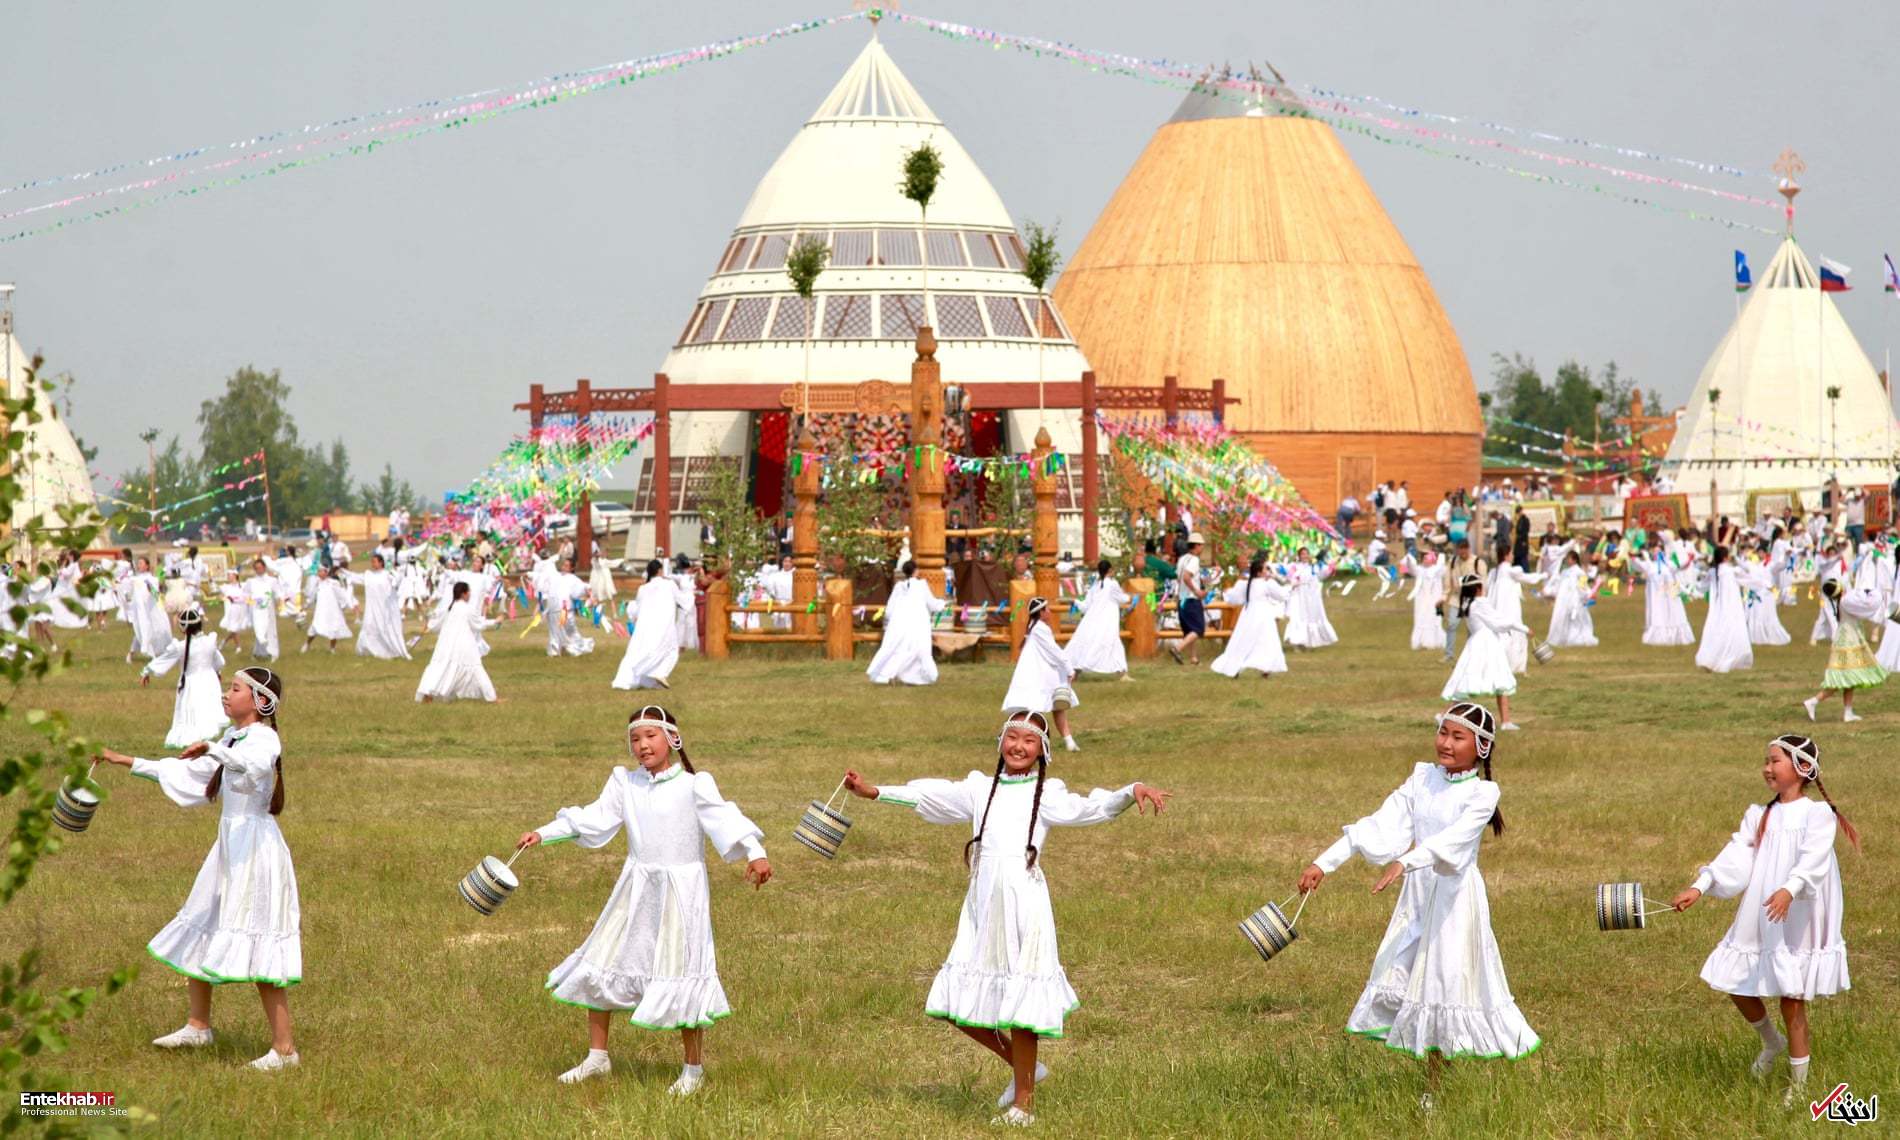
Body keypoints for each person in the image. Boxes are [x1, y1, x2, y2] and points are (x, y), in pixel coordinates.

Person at [841, 711, 1171, 1126]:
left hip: (1024, 907)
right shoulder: (981, 789)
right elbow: (931, 796)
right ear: (1000, 741)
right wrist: (872, 791)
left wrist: (1131, 790)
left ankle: (1024, 1105)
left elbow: (1089, 808)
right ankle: (1024, 1070)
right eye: (1012, 737)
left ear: (1042, 750)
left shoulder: (1047, 794)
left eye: (1028, 741)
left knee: (1021, 1009)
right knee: (949, 1005)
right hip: (982, 906)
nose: (1018, 747)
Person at [1297, 703, 1539, 1110]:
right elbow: (1378, 823)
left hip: (1453, 899)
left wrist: (1406, 861)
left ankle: (1444, 1086)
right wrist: (1324, 862)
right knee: (1408, 977)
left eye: (1456, 736)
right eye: (1442, 733)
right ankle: (1435, 1083)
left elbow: (1455, 843)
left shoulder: (1483, 793)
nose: (1445, 743)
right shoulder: (1422, 777)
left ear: (1481, 747)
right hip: (1418, 898)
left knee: (1446, 982)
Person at [517, 706, 770, 1093]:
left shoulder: (694, 785)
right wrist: (545, 832)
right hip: (636, 887)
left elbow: (725, 818)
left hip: (682, 892)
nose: (642, 745)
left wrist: (755, 853)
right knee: (606, 959)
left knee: (682, 971)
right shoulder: (625, 784)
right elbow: (593, 817)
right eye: (635, 739)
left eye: (650, 736)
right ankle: (597, 1057)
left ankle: (693, 1071)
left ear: (672, 739)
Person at [94, 668, 300, 1070]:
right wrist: (126, 760)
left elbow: (254, 766)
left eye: (235, 688)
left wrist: (214, 749)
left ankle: (285, 1050)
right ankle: (198, 1025)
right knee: (202, 924)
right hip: (229, 847)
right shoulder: (231, 739)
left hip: (256, 851)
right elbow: (185, 774)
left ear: (260, 701)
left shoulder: (263, 738)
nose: (227, 693)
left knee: (259, 940)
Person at [1670, 735, 1854, 1106]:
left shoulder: (1818, 814)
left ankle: (1798, 1088)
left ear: (1802, 769)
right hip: (1763, 909)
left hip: (1799, 910)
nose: (1767, 768)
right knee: (1736, 981)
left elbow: (1814, 858)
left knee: (1792, 997)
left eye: (1775, 761)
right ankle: (1772, 1043)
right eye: (1766, 761)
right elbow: (1736, 853)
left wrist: (1790, 889)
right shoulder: (1759, 814)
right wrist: (1700, 886)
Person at [1443, 574, 1524, 731]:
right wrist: (1522, 628)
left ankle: (1506, 721)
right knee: (1498, 680)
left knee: (1471, 683)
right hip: (1486, 644)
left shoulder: (1469, 603)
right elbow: (1498, 622)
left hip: (1478, 643)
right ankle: (1505, 721)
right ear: (1479, 588)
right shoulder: (1479, 604)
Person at [140, 606, 228, 748]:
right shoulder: (209, 641)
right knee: (207, 707)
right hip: (210, 681)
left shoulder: (180, 647)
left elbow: (164, 660)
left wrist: (146, 671)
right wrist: (217, 672)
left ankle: (200, 738)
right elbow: (218, 660)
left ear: (183, 628)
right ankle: (207, 737)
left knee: (193, 711)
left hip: (192, 683)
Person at [1800, 581, 1887, 723]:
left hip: (1848, 638)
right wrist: (1871, 592)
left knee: (1849, 678)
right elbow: (1867, 605)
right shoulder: (1846, 601)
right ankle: (1813, 701)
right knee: (1843, 678)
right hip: (1848, 641)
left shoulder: (1843, 601)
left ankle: (1848, 712)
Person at [1003, 598, 1080, 752]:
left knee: (1056, 707)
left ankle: (1068, 741)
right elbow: (1054, 650)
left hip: (1043, 672)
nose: (1050, 612)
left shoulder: (1034, 627)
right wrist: (1069, 668)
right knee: (1038, 710)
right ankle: (1027, 741)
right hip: (1040, 675)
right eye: (1047, 609)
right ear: (1041, 612)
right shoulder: (1040, 629)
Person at [612, 560, 691, 691]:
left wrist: (629, 609)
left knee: (642, 652)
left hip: (646, 628)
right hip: (664, 625)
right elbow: (683, 599)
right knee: (670, 651)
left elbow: (636, 609)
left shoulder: (643, 588)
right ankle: (660, 673)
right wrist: (691, 595)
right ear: (660, 571)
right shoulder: (669, 584)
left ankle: (650, 678)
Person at [867, 560, 947, 686]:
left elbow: (890, 609)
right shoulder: (921, 585)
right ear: (916, 571)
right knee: (918, 648)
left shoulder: (899, 586)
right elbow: (931, 603)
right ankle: (915, 676)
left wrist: (888, 621)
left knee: (899, 648)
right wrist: (942, 604)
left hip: (900, 622)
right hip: (918, 622)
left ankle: (891, 673)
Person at [415, 582, 497, 703]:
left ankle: (428, 694)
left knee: (441, 668)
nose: (470, 594)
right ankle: (493, 699)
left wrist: (429, 625)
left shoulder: (450, 607)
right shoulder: (466, 608)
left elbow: (436, 623)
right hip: (463, 644)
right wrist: (495, 621)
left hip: (446, 645)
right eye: (468, 592)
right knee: (476, 668)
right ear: (464, 594)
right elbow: (478, 624)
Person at [1209, 555, 1289, 678]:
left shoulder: (1246, 584)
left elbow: (1234, 598)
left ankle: (1240, 666)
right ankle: (1265, 668)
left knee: (1244, 639)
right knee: (1267, 640)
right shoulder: (1266, 584)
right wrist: (1287, 586)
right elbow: (1282, 595)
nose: (1267, 571)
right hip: (1263, 615)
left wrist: (1227, 592)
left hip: (1249, 614)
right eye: (1265, 569)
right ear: (1259, 572)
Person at [1063, 560, 1131, 680]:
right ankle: (1122, 674)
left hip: (1091, 621)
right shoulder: (1112, 584)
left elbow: (1085, 606)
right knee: (1112, 643)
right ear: (1109, 571)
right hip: (1106, 621)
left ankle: (1074, 673)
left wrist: (1076, 602)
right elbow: (1122, 599)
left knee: (1085, 643)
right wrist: (1131, 597)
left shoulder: (1095, 585)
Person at [1696, 547, 1754, 674]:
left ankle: (1712, 658)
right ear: (1726, 557)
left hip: (1717, 609)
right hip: (1732, 607)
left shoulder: (1713, 572)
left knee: (1717, 631)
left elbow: (1700, 587)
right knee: (1731, 631)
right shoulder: (1731, 571)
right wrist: (1767, 585)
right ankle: (1726, 658)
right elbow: (1750, 578)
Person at [349, 554, 410, 660]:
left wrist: (394, 575)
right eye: (372, 562)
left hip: (386, 609)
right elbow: (356, 578)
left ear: (381, 562)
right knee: (369, 627)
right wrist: (343, 572)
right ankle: (370, 649)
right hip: (373, 609)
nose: (372, 564)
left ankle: (392, 650)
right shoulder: (369, 575)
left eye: (375, 561)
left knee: (387, 629)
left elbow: (397, 580)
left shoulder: (387, 574)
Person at [1283, 547, 1339, 650]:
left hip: (1312, 595)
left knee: (1312, 617)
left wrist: (1330, 568)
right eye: (1303, 554)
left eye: (1306, 553)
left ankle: (1309, 641)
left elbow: (1321, 576)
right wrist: (1294, 581)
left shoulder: (1314, 566)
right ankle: (1297, 642)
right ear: (1299, 556)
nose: (1305, 556)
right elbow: (1290, 576)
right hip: (1300, 594)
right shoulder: (1295, 566)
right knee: (1299, 616)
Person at [1167, 533, 1209, 665]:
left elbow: (1180, 578)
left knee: (1189, 631)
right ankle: (1177, 648)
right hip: (1191, 599)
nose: (1202, 548)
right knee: (1198, 629)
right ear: (1197, 546)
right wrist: (1197, 592)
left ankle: (1193, 657)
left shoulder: (1182, 559)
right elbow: (1186, 577)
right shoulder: (1194, 560)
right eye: (1201, 545)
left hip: (1182, 599)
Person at [1545, 550, 1598, 649]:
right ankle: (1564, 636)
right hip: (1564, 599)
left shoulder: (1580, 572)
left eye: (1568, 558)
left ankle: (1576, 636)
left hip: (1575, 598)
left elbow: (1583, 586)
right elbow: (1560, 585)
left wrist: (1588, 594)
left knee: (1576, 617)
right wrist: (1550, 593)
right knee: (1563, 617)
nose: (1566, 560)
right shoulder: (1564, 572)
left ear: (1574, 560)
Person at [300, 565, 354, 654]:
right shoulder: (317, 584)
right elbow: (312, 597)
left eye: (321, 571)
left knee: (334, 627)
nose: (319, 573)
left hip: (332, 609)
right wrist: (306, 606)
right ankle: (307, 644)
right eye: (318, 571)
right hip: (321, 609)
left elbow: (341, 594)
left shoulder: (333, 583)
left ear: (326, 572)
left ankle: (332, 648)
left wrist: (344, 605)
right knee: (315, 626)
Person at [1406, 550, 1447, 652]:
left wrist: (1441, 557)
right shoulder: (1420, 570)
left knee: (1434, 619)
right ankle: (1420, 641)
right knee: (1421, 618)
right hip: (1421, 600)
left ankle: (1435, 641)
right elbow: (1412, 568)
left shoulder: (1436, 570)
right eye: (1423, 559)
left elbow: (1442, 568)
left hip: (1435, 599)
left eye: (1426, 558)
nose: (1424, 560)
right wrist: (1409, 559)